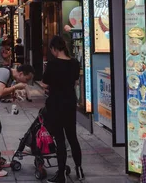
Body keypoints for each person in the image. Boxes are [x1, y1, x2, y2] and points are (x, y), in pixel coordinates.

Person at [39, 36, 83, 182]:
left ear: (54, 49)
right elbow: (76, 81)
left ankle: (61, 174)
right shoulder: (74, 63)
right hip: (70, 103)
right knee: (72, 137)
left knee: (60, 139)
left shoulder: (52, 64)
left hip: (56, 104)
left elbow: (45, 84)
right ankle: (79, 169)